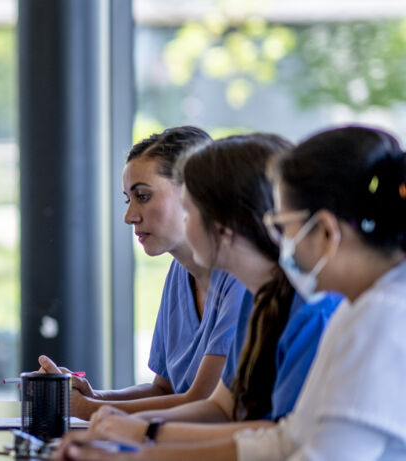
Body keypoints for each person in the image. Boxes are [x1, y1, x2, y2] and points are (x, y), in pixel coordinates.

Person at [56, 126, 406, 460]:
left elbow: (306, 452)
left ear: (326, 233)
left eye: (282, 226)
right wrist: (142, 444)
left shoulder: (367, 318)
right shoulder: (350, 311)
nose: (280, 239)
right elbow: (284, 438)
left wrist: (139, 441)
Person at [79, 134, 340, 446]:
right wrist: (117, 423)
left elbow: (285, 441)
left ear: (223, 224)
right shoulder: (260, 300)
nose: (129, 216)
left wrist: (139, 433)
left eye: (189, 211)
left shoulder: (311, 310)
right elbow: (221, 407)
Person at [39, 126, 250, 420]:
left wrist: (86, 409)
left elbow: (203, 402)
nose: (129, 216)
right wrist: (93, 396)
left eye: (144, 196)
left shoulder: (242, 278)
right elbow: (164, 390)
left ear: (196, 192)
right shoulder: (179, 273)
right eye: (128, 199)